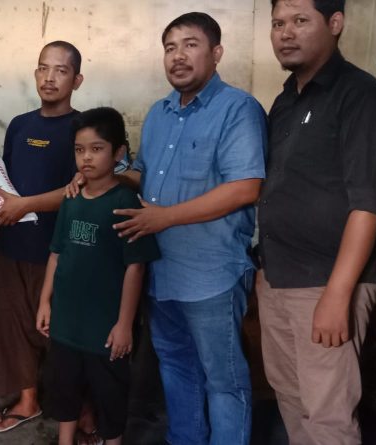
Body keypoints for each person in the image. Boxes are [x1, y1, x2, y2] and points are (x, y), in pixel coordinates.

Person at [112, 12, 267, 445]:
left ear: (216, 53)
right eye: (170, 47)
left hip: (211, 276)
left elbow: (244, 188)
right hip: (161, 273)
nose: (178, 56)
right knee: (177, 369)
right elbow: (144, 175)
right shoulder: (158, 114)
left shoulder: (237, 109)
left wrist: (163, 217)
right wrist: (104, 174)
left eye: (190, 45)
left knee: (224, 381)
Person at [257, 1, 376, 443]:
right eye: (278, 23)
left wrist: (337, 295)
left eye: (300, 21)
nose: (285, 33)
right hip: (277, 276)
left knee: (328, 415)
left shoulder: (363, 97)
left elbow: (368, 206)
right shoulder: (285, 101)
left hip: (324, 283)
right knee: (291, 398)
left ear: (335, 23)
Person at [36, 107, 160, 445]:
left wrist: (124, 324)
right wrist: (45, 302)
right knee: (65, 391)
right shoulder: (71, 199)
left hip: (105, 330)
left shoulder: (125, 203)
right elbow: (56, 253)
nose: (86, 157)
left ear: (119, 152)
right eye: (80, 149)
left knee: (110, 397)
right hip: (66, 325)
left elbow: (135, 267)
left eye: (96, 148)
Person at [0, 40, 85, 434]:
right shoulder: (20, 125)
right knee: (15, 324)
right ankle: (28, 400)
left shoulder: (83, 128)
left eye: (61, 70)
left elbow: (83, 188)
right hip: (14, 242)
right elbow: (5, 180)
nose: (49, 77)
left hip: (62, 249)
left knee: (64, 331)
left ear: (77, 79)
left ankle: (80, 410)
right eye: (43, 68)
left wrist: (24, 205)